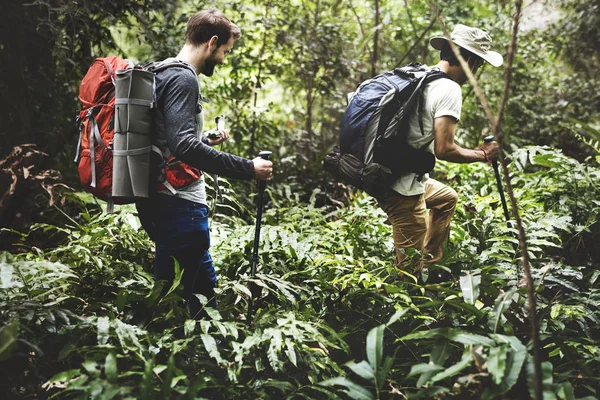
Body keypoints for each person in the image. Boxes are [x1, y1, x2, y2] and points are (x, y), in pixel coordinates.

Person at [137, 8, 273, 319]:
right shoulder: (184, 79)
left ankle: (196, 351)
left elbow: (170, 140)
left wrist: (206, 140)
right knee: (185, 295)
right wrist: (248, 168)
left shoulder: (163, 71)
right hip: (179, 204)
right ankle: (187, 355)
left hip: (163, 200)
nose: (224, 59)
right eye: (225, 51)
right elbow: (184, 145)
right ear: (211, 43)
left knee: (196, 287)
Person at [380, 24, 502, 274]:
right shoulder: (449, 88)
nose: (475, 72)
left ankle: (431, 265)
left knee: (446, 198)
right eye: (477, 64)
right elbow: (444, 150)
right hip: (402, 188)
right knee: (407, 275)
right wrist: (483, 155)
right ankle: (417, 283)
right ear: (468, 59)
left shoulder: (420, 74)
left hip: (384, 171)